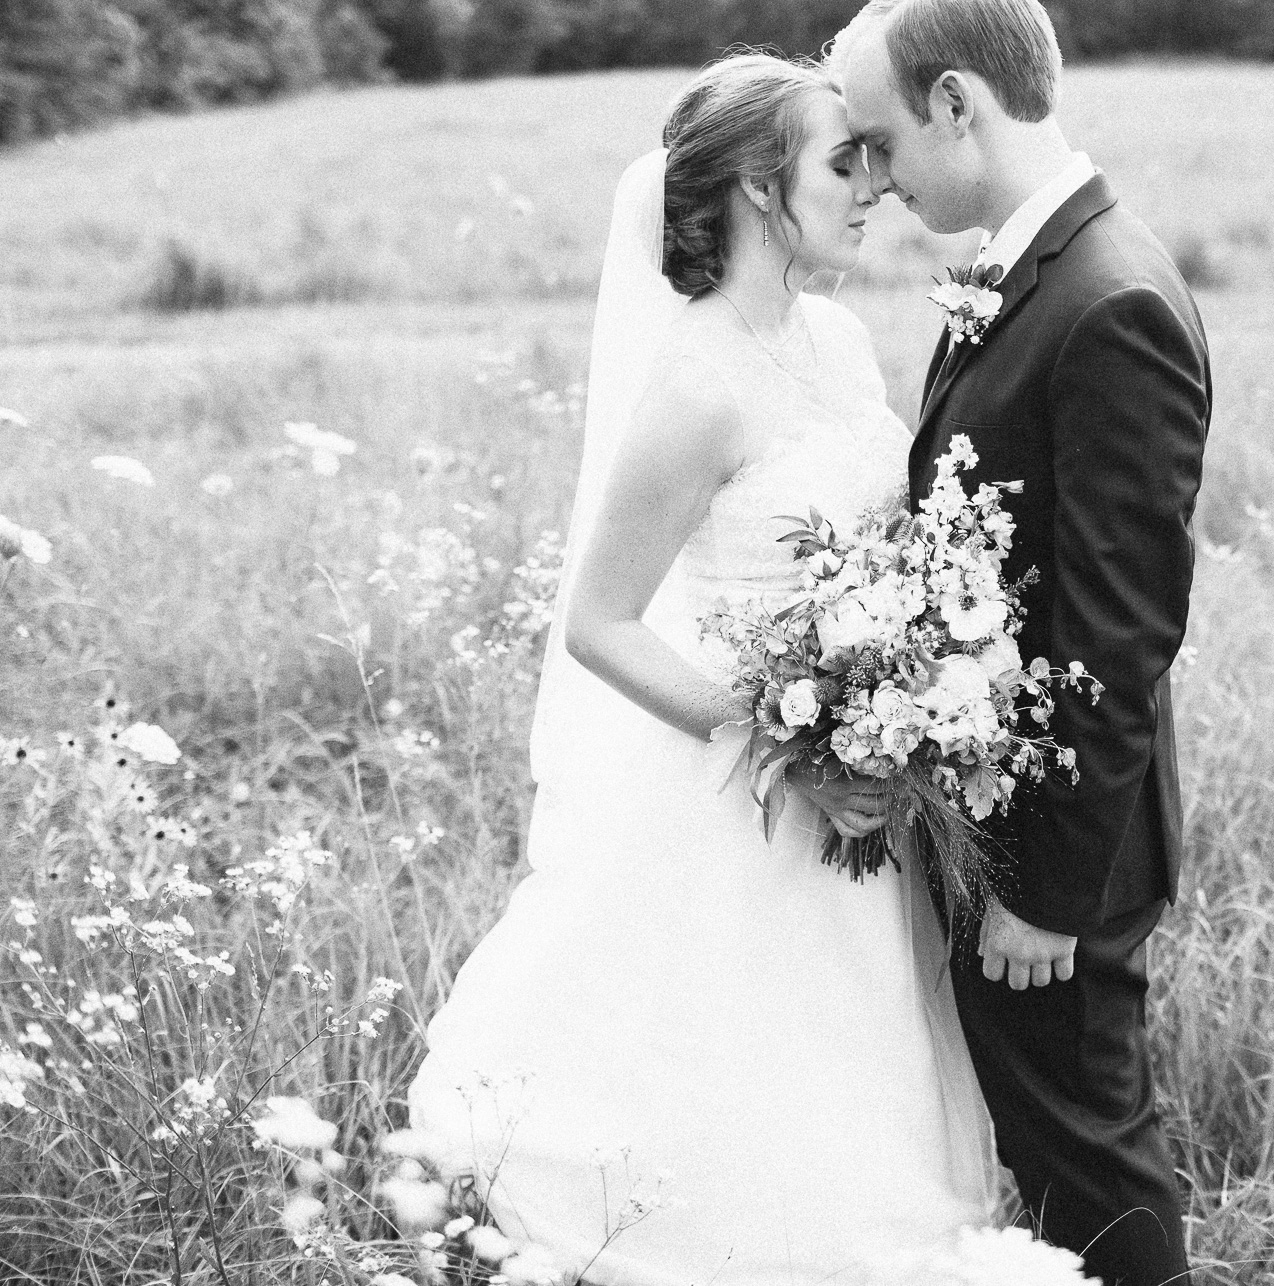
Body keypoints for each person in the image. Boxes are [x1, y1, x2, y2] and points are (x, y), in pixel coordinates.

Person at [406, 54, 1007, 1283]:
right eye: (845, 160)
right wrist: (781, 737)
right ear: (757, 185)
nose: (875, 183)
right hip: (760, 779)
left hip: (868, 773)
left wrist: (918, 664)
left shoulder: (835, 339)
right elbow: (603, 621)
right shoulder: (693, 382)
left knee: (864, 1046)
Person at [833, 3, 1212, 1283]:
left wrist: (1044, 892)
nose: (874, 180)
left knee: (1091, 1156)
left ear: (955, 104)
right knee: (1051, 1156)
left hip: (1060, 856)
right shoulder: (1027, 265)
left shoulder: (1108, 303)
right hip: (1003, 823)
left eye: (880, 140)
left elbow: (1122, 633)